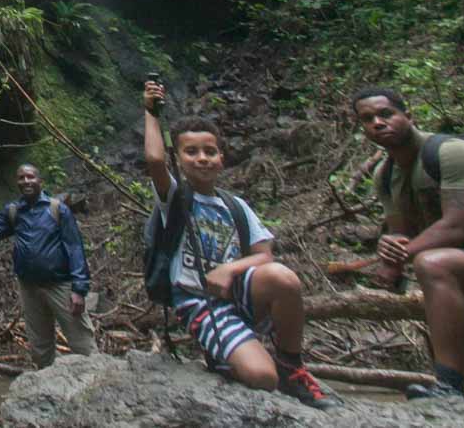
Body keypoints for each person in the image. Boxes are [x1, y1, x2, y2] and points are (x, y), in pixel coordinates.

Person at [143, 80, 339, 408]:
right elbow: (153, 160)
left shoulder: (235, 206)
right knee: (263, 378)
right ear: (178, 158)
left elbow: (264, 255)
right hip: (200, 302)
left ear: (222, 157)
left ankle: (292, 366)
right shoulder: (175, 198)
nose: (202, 158)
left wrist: (230, 269)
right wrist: (151, 112)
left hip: (240, 291)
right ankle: (228, 355)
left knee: (283, 277)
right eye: (191, 152)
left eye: (210, 151)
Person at [352, 86, 464, 401]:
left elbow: (462, 227)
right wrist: (389, 259)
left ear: (408, 115)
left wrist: (405, 252)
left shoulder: (451, 153)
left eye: (386, 113)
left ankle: (449, 387)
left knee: (434, 264)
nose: (377, 123)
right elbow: (400, 234)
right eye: (367, 119)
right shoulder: (385, 174)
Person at [0, 163, 95, 367]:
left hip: (61, 286)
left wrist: (79, 288)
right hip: (29, 288)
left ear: (40, 181)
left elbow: (75, 248)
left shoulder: (57, 209)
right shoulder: (14, 211)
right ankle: (49, 388)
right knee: (40, 348)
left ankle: (99, 383)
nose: (26, 181)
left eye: (30, 177)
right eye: (21, 178)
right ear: (17, 182)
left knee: (82, 342)